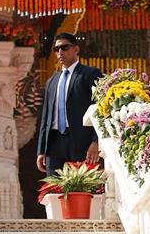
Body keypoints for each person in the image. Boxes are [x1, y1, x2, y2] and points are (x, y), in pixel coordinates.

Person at [36, 32, 102, 176]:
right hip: (54, 143)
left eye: (64, 48)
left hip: (81, 141)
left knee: (82, 190)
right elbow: (46, 117)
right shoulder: (52, 81)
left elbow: (101, 108)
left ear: (76, 50)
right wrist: (41, 150)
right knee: (54, 191)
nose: (60, 52)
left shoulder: (90, 74)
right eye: (56, 49)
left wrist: (96, 141)